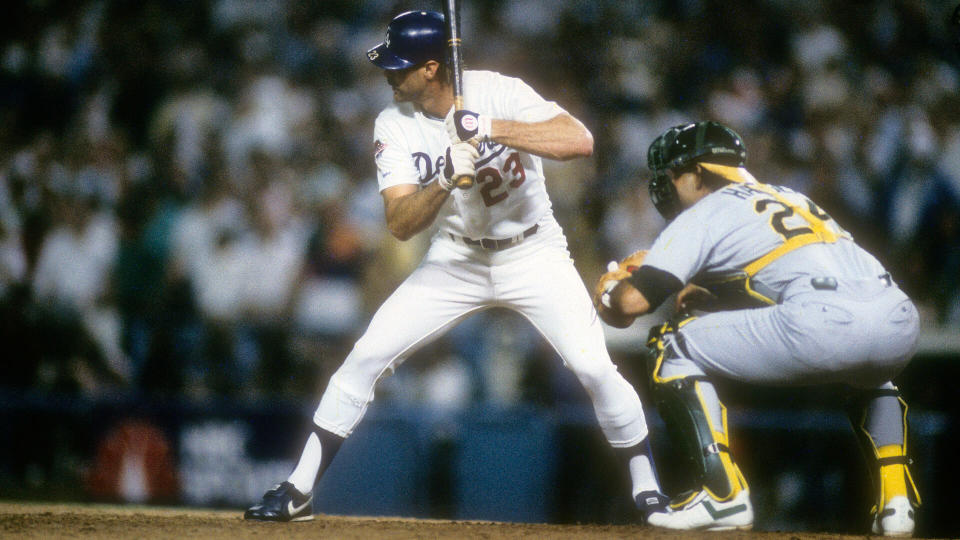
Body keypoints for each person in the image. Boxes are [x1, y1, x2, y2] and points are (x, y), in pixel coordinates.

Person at [244, 10, 667, 523]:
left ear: (430, 69)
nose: (387, 74)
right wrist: (443, 177)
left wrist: (490, 128)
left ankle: (648, 491)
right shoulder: (392, 123)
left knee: (593, 367)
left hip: (533, 251)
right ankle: (299, 488)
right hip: (456, 257)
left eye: (398, 66)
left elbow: (579, 141)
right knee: (366, 355)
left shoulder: (497, 91)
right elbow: (400, 223)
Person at [593, 121, 921, 535]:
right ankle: (897, 503)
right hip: (898, 319)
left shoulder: (706, 210)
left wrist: (611, 290)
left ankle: (722, 496)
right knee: (872, 371)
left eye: (672, 175)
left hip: (823, 323)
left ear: (696, 173)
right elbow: (795, 275)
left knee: (671, 342)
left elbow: (632, 305)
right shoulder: (791, 196)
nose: (667, 186)